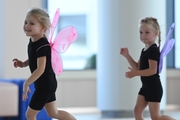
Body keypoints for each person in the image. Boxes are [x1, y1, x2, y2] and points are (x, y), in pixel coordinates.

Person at [12, 8, 76, 120]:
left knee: (30, 115)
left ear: (43, 28)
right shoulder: (33, 41)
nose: (27, 26)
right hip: (46, 84)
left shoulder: (42, 45)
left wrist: (27, 83)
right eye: (26, 22)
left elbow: (40, 69)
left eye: (32, 23)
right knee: (53, 113)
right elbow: (34, 59)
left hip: (45, 86)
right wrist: (23, 64)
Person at [120, 17, 175, 120]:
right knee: (137, 111)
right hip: (146, 87)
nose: (143, 35)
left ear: (156, 33)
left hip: (154, 88)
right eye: (141, 32)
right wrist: (127, 55)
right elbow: (137, 67)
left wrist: (136, 73)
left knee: (156, 117)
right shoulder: (145, 49)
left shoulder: (153, 50)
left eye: (147, 32)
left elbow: (152, 70)